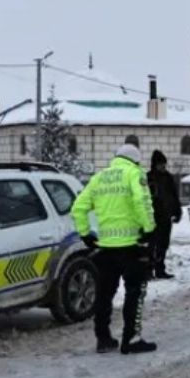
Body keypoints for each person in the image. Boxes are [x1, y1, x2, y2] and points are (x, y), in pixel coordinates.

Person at [71, 143, 158, 355]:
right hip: (132, 247)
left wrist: (85, 234)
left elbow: (78, 208)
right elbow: (142, 201)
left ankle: (103, 339)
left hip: (105, 248)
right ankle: (131, 339)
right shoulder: (134, 173)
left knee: (104, 295)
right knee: (134, 293)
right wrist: (149, 229)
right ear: (135, 160)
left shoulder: (99, 177)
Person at [146, 149, 182, 279]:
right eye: (161, 164)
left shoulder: (168, 177)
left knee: (163, 245)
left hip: (166, 217)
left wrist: (178, 211)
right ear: (155, 164)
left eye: (164, 164)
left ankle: (160, 269)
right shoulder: (148, 177)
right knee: (151, 246)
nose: (163, 166)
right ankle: (148, 271)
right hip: (152, 218)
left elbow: (174, 195)